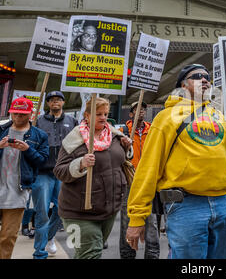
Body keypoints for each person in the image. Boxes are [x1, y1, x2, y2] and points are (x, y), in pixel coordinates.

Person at [126, 64, 226, 259]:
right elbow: (149, 168)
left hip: (222, 202)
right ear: (183, 85)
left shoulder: (219, 116)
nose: (205, 79)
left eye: (207, 76)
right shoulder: (166, 118)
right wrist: (136, 217)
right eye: (197, 76)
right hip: (186, 206)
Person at [53, 97, 132, 259]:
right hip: (78, 212)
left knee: (86, 253)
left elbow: (122, 161)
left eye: (105, 113)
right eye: (98, 114)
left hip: (109, 210)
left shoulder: (115, 136)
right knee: (91, 252)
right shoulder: (74, 141)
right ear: (87, 116)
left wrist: (127, 147)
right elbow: (59, 171)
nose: (103, 117)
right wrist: (80, 163)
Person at [0, 97, 49, 259]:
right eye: (15, 114)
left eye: (22, 114)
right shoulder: (1, 130)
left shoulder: (39, 135)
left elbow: (42, 161)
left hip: (18, 192)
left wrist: (27, 149)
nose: (18, 117)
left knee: (8, 236)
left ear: (30, 115)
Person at [32, 91, 78, 259]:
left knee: (61, 210)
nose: (55, 103)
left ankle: (49, 237)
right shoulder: (38, 121)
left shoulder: (72, 121)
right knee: (42, 213)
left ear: (63, 103)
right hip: (43, 172)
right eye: (52, 100)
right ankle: (39, 252)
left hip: (64, 173)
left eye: (58, 100)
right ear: (48, 104)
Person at [118, 101, 160, 259]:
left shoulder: (153, 130)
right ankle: (127, 255)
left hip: (149, 180)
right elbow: (116, 156)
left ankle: (152, 255)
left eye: (143, 109)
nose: (140, 111)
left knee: (152, 221)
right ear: (131, 114)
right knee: (126, 220)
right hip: (129, 181)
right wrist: (123, 146)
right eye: (136, 109)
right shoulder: (122, 131)